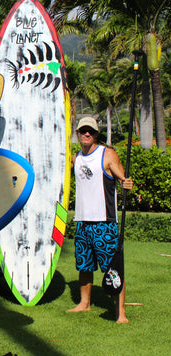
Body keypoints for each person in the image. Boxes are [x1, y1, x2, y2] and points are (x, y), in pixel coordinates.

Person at [67, 117, 133, 324]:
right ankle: (84, 303)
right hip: (82, 221)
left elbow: (123, 179)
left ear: (96, 135)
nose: (87, 134)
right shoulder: (75, 158)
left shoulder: (107, 154)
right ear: (78, 133)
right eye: (83, 131)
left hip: (104, 222)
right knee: (84, 266)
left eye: (91, 131)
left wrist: (126, 183)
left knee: (112, 268)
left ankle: (120, 313)